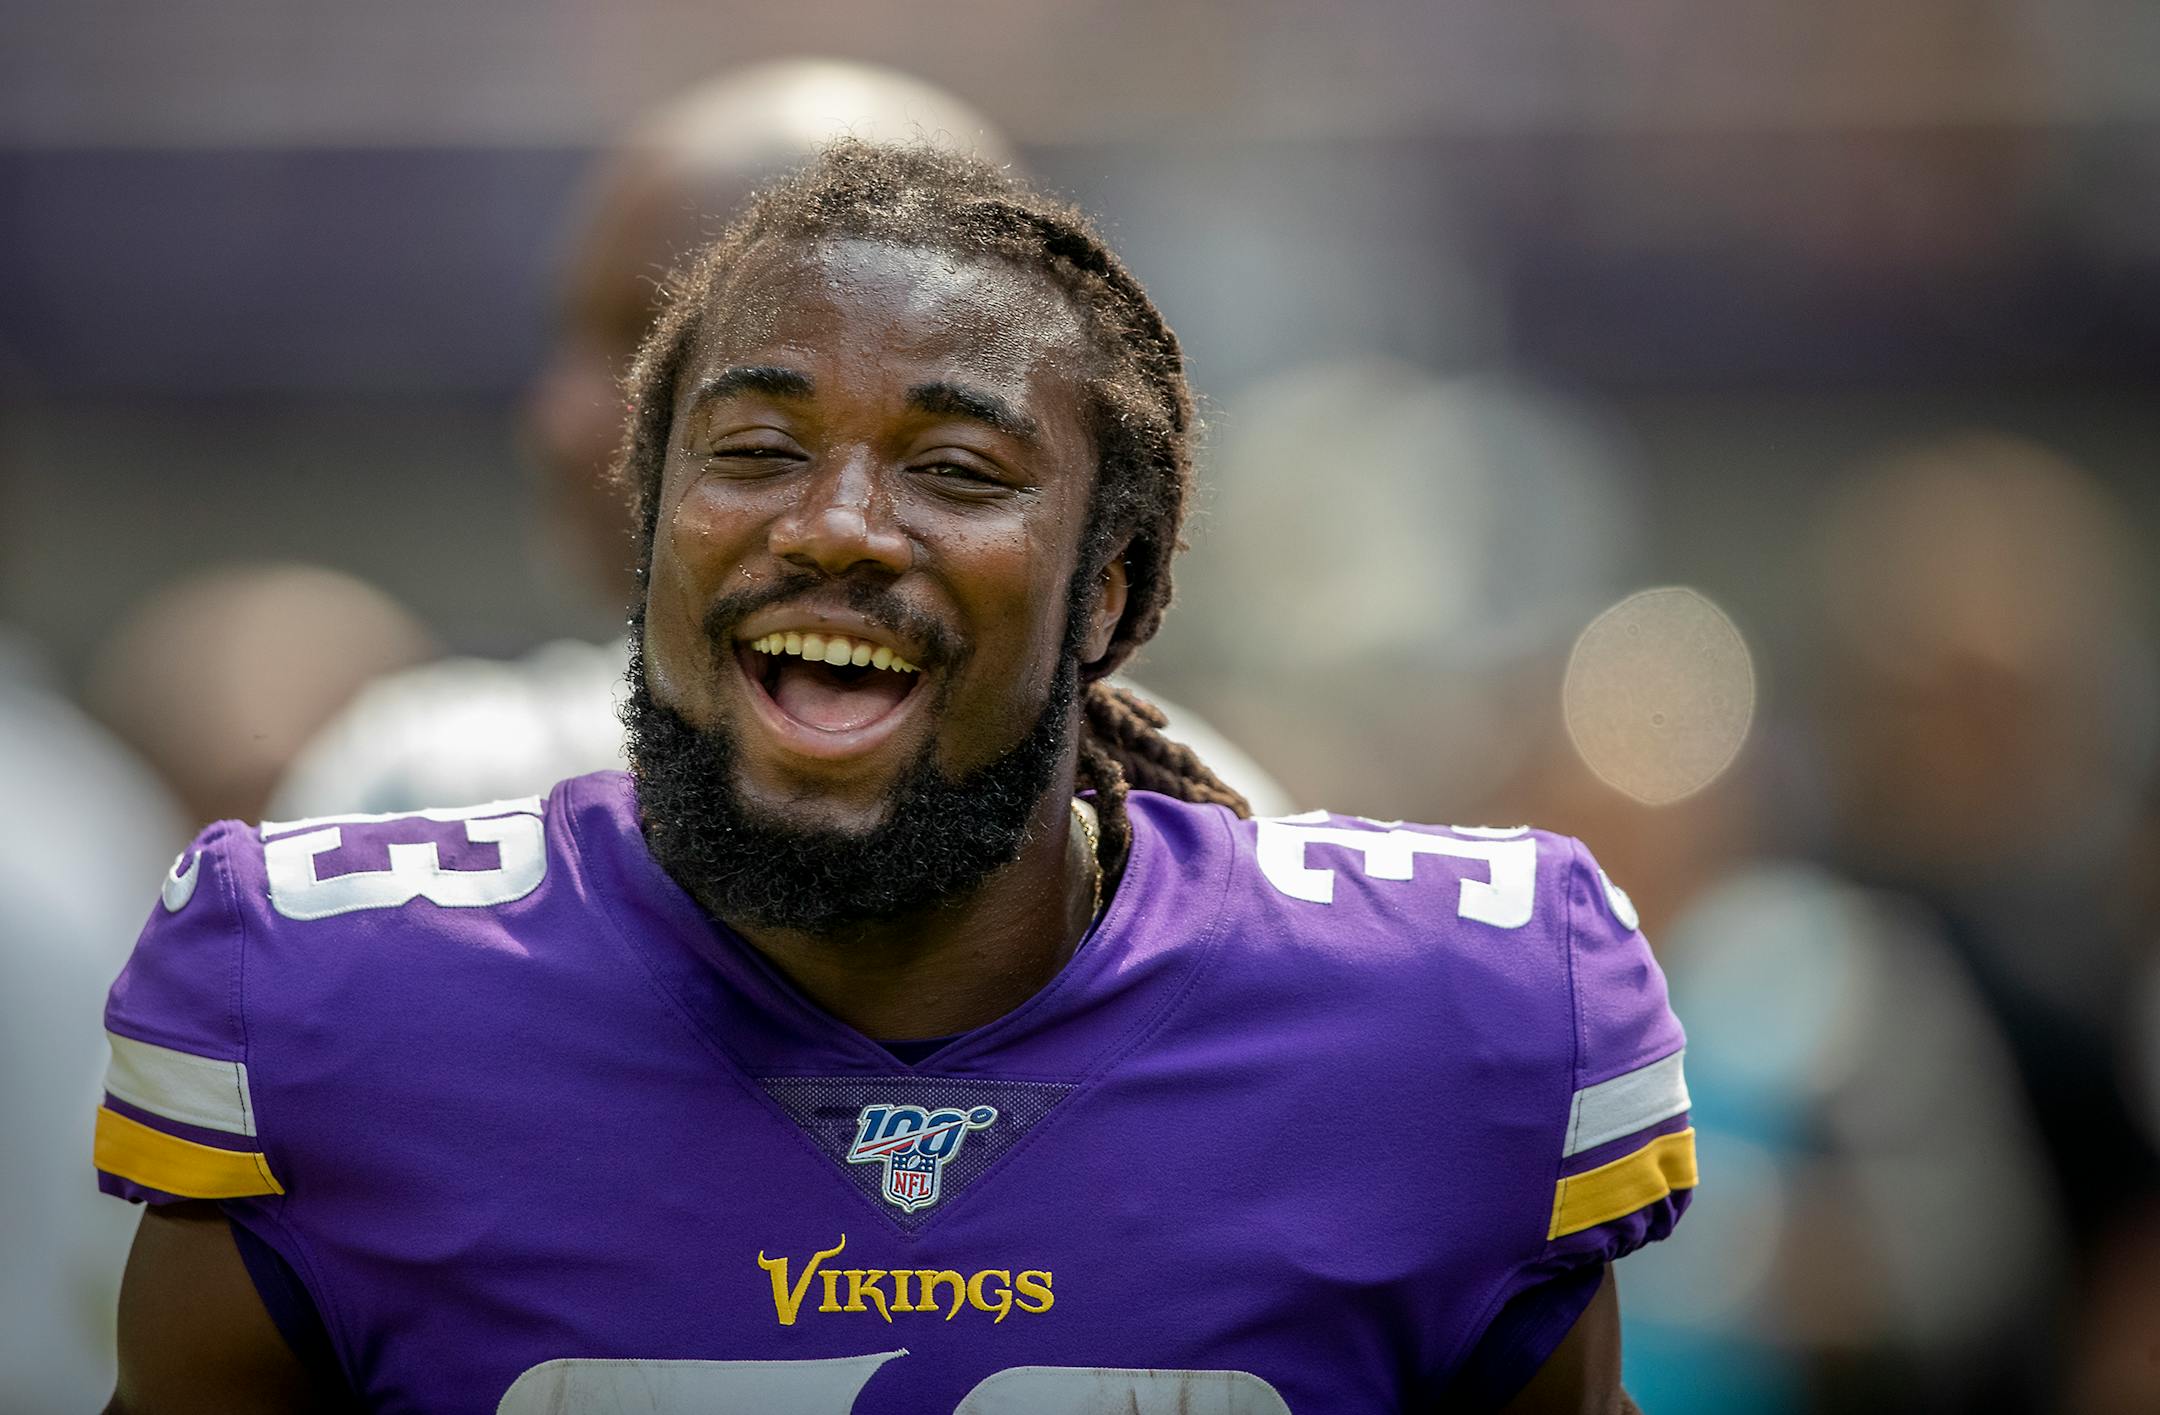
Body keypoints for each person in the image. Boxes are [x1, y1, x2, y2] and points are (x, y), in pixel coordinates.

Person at [95, 144, 1691, 1413]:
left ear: (1117, 591)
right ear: (646, 531)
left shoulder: (1451, 1026)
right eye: (757, 449)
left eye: (955, 469)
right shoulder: (329, 1007)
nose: (839, 522)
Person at [271, 58, 1287, 822]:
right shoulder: (423, 803)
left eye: (643, 345)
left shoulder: (1194, 837)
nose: (559, 415)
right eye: (569, 337)